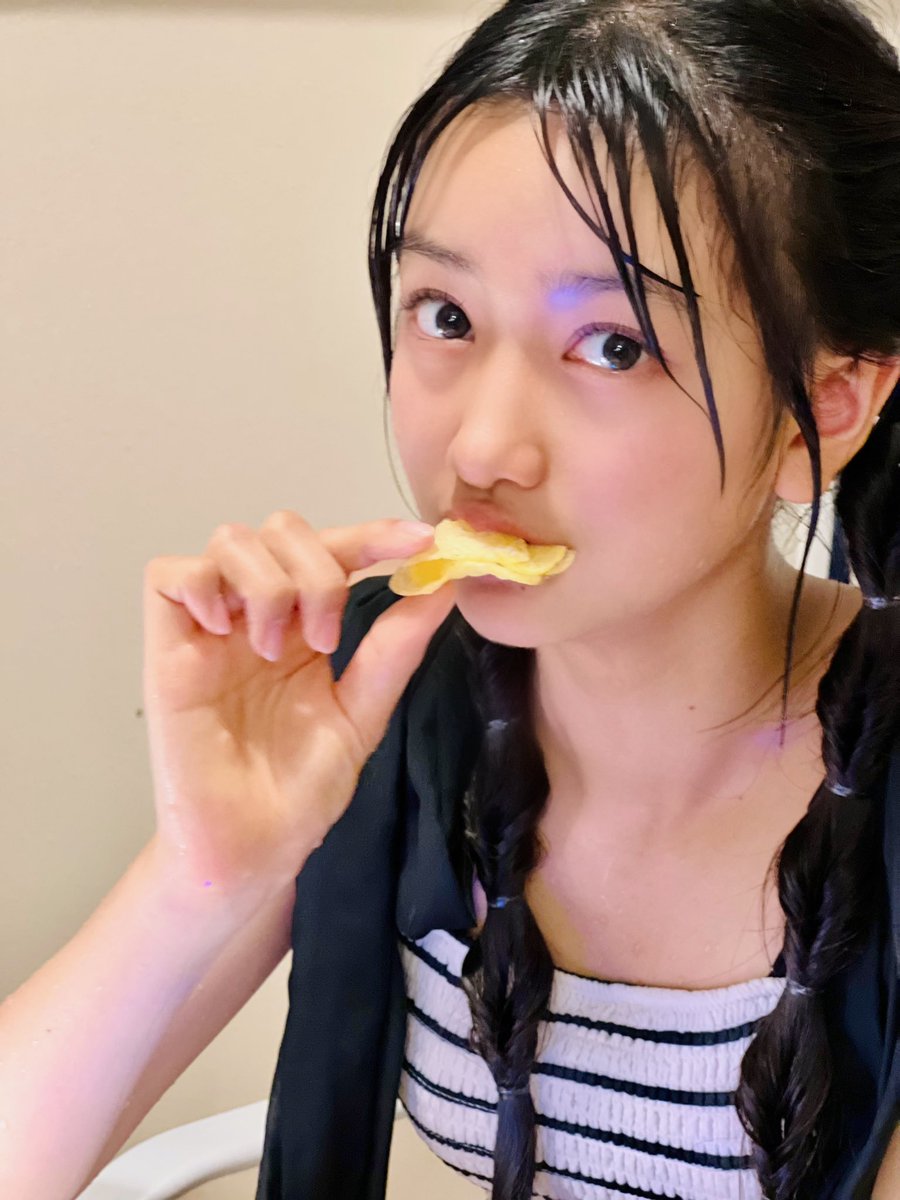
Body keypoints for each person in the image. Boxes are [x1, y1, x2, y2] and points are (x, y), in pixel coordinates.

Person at [2, 0, 900, 1198]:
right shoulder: (376, 698)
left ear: (822, 410)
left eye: (614, 346)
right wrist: (200, 879)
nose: (479, 448)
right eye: (447, 316)